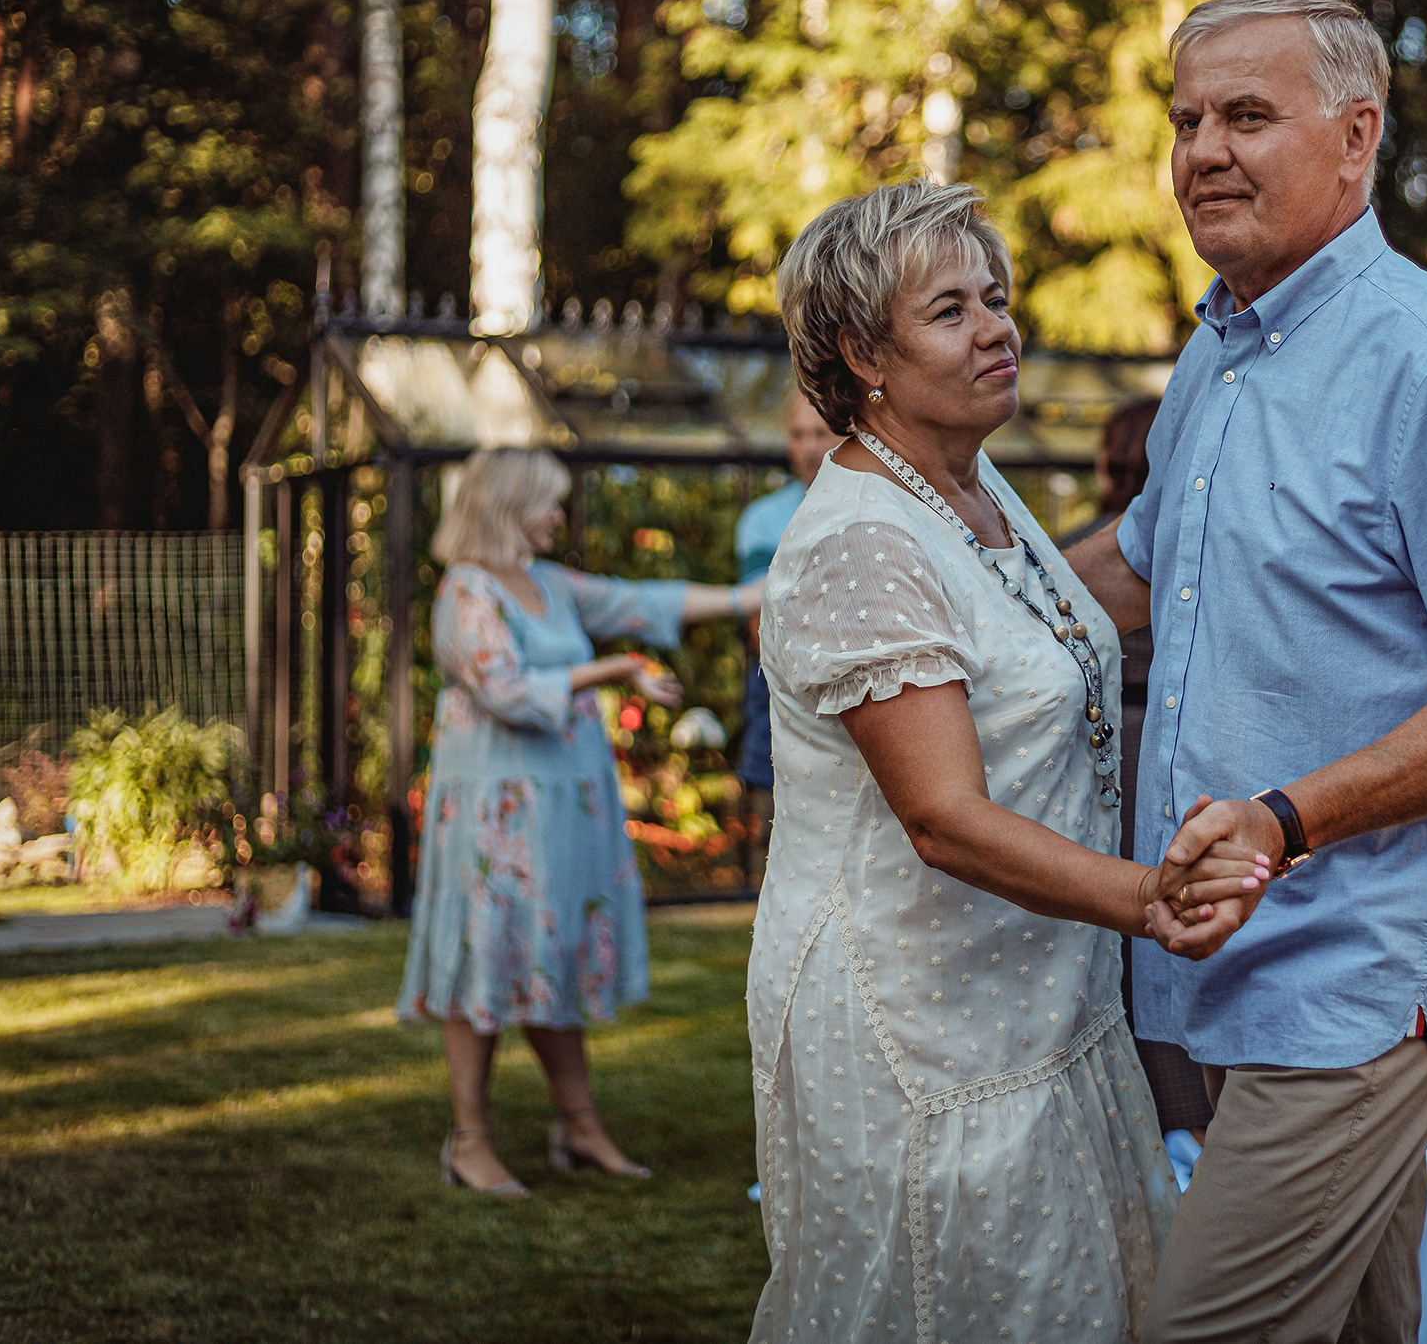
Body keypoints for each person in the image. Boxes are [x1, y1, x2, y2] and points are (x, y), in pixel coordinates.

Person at [1065, 0, 1427, 1344]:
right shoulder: (1216, 351)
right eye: (1185, 122)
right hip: (1228, 968)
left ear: (1355, 140)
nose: (1202, 153)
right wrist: (940, 593)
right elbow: (1136, 558)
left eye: (1247, 115)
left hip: (1354, 976)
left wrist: (1287, 822)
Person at [743, 181, 1269, 1342]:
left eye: (996, 297)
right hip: (920, 1019)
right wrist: (1152, 899)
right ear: (857, 351)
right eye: (949, 310)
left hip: (1033, 992)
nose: (996, 327)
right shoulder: (865, 539)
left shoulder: (968, 489)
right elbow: (943, 816)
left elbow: (1080, 598)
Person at [398, 446, 763, 1197]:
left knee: (549, 953)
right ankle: (468, 1139)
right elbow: (503, 686)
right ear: (507, 508)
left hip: (562, 809)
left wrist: (744, 598)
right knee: (488, 956)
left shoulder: (550, 586)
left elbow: (643, 602)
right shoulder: (466, 590)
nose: (559, 516)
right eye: (548, 502)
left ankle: (580, 1124)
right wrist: (616, 671)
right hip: (497, 816)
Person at [1060, 400, 1214, 1157]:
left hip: (1098, 744)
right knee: (1158, 927)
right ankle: (1181, 1119)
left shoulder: (1066, 551)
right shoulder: (1185, 544)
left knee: (1122, 934)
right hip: (1166, 741)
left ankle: (1136, 1113)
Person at [733, 389, 836, 798]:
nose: (808, 447)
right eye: (797, 435)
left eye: (820, 433)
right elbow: (761, 626)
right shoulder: (763, 519)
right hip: (781, 691)